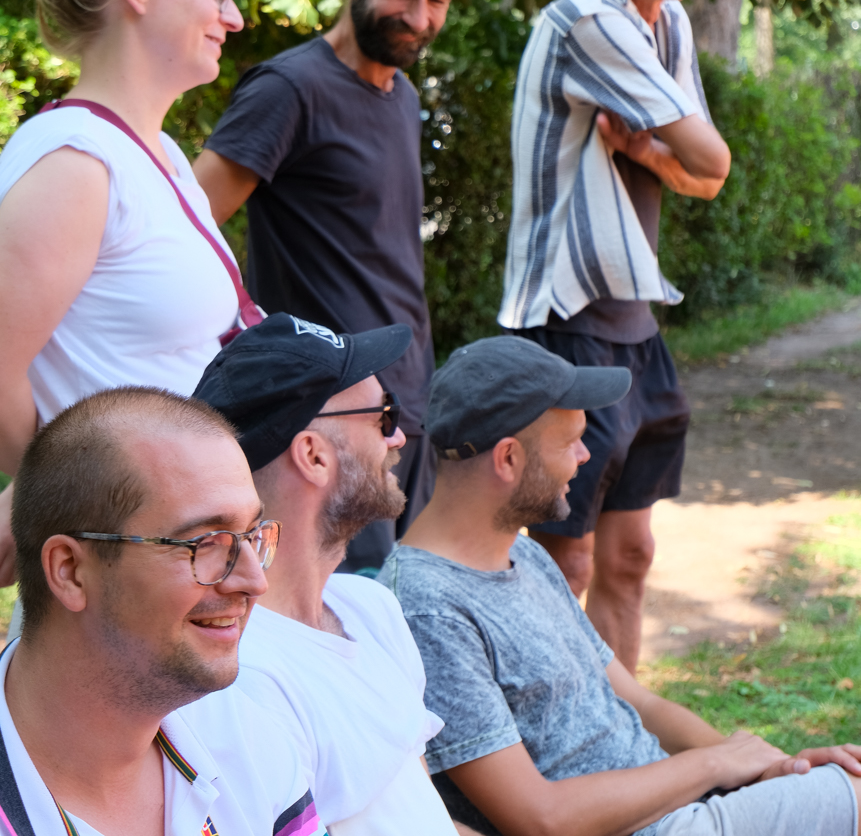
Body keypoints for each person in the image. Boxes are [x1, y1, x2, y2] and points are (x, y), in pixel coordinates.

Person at [379, 336, 861, 836]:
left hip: (675, 806)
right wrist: (716, 764)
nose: (586, 455)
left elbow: (639, 702)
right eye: (569, 442)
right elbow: (541, 819)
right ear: (508, 459)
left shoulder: (523, 554)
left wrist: (767, 770)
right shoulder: (427, 609)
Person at [498, 0, 732, 670]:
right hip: (566, 322)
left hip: (634, 319)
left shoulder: (665, 21)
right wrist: (667, 153)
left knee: (630, 556)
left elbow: (702, 180)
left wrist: (639, 150)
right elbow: (709, 157)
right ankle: (553, 742)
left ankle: (619, 731)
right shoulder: (589, 21)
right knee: (564, 563)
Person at [0, 0, 251, 591]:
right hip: (126, 567)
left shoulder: (159, 153)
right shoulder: (75, 164)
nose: (233, 17)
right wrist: (54, 500)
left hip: (181, 547)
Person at [194, 0, 465, 572]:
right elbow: (185, 228)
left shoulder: (402, 95)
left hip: (402, 410)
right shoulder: (289, 89)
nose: (420, 17)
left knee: (396, 613)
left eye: (437, 0)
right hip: (321, 427)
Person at [193, 312, 479, 836]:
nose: (399, 437)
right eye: (384, 416)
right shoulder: (245, 677)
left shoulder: (369, 607)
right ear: (313, 456)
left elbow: (420, 808)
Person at [2, 385, 324, 836]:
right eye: (203, 543)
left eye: (252, 536)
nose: (255, 582)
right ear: (71, 571)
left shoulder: (243, 738)